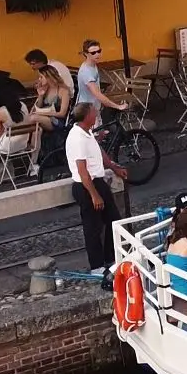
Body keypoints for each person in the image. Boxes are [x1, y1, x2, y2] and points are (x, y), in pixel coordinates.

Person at [66, 102, 123, 276]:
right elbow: (82, 170)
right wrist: (94, 195)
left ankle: (110, 257)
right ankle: (96, 266)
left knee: (113, 220)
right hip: (86, 186)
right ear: (87, 116)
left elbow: (100, 153)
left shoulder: (87, 133)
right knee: (92, 228)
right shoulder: (77, 138)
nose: (96, 114)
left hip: (97, 181)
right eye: (93, 112)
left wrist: (114, 167)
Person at [74, 40, 128, 115]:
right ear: (86, 54)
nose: (97, 54)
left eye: (99, 51)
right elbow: (97, 94)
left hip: (93, 108)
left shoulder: (93, 65)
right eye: (93, 53)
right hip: (87, 111)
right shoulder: (86, 72)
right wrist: (117, 106)